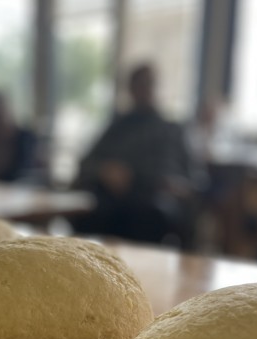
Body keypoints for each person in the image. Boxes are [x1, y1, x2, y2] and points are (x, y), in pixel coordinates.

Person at [73, 63, 198, 245]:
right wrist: (104, 170)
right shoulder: (117, 127)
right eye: (139, 84)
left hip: (155, 200)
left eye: (149, 83)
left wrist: (174, 185)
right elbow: (86, 163)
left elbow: (192, 179)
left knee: (146, 216)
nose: (144, 89)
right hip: (115, 199)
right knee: (88, 213)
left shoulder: (172, 130)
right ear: (130, 89)